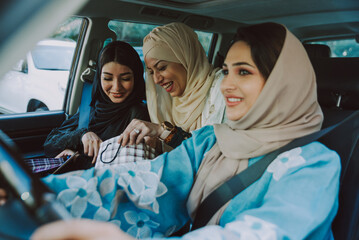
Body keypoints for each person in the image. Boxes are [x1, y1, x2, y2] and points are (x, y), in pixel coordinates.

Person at [31, 22, 340, 239]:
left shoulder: (315, 165)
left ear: (281, 82)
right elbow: (137, 185)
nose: (227, 85)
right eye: (227, 71)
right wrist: (39, 194)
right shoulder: (210, 141)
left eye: (243, 72)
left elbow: (263, 233)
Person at [118, 22, 226, 149]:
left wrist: (162, 131)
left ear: (184, 58)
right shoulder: (174, 99)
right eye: (151, 72)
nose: (156, 80)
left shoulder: (222, 88)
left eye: (162, 67)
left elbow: (211, 152)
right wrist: (158, 144)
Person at [43, 40, 150, 166]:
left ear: (136, 77)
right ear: (99, 78)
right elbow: (49, 144)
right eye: (107, 78)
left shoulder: (138, 115)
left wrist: (81, 159)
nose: (116, 87)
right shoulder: (92, 107)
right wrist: (81, 136)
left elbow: (128, 163)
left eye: (125, 79)